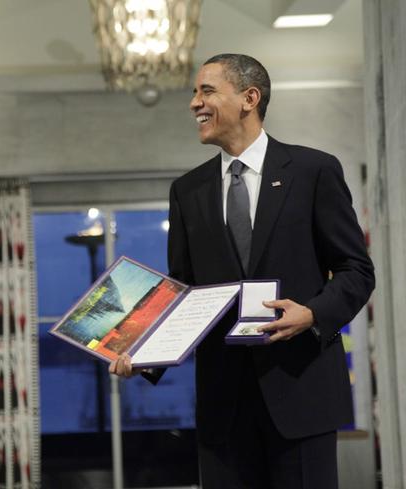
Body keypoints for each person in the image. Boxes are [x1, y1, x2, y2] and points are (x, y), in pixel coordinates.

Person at [110, 54, 374, 489]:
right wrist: (142, 354)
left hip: (302, 394)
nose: (194, 103)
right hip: (223, 410)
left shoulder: (313, 171)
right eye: (195, 92)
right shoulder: (187, 190)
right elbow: (183, 292)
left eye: (206, 90)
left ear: (250, 98)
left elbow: (356, 270)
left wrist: (312, 314)